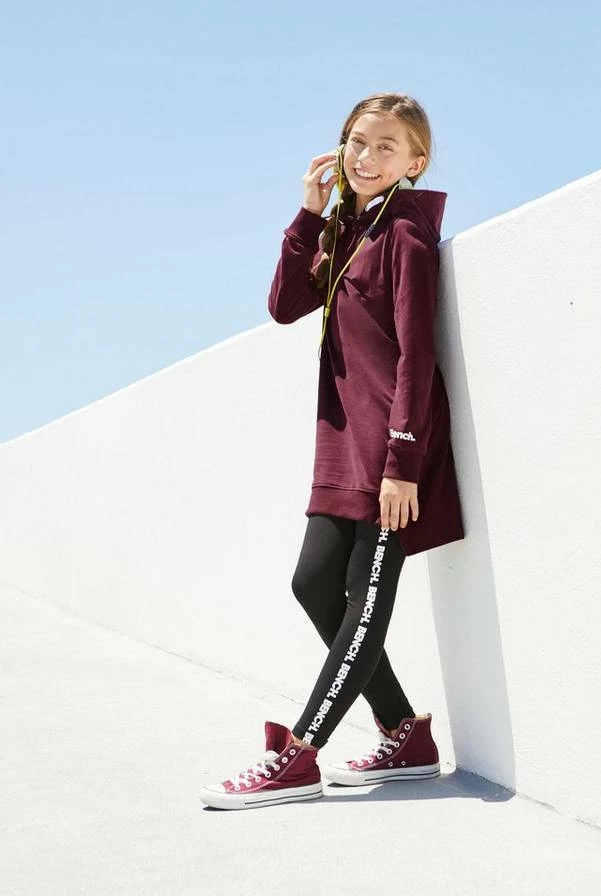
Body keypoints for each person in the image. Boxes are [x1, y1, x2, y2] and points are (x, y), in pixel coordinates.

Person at [200, 92, 465, 811]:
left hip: (393, 454)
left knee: (364, 599)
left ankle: (298, 754)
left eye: (385, 147)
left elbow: (416, 354)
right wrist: (309, 216)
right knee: (313, 584)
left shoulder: (405, 237)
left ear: (415, 162)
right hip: (344, 444)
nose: (365, 157)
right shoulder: (347, 231)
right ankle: (404, 733)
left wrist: (402, 464)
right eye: (356, 141)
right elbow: (285, 306)